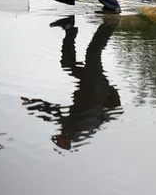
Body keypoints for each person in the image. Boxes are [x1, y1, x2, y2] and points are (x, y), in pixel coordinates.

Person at [21, 15, 123, 150]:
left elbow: (54, 114)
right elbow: (54, 112)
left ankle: (69, 28)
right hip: (95, 87)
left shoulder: (79, 131)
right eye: (59, 138)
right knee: (92, 53)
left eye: (58, 136)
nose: (59, 134)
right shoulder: (76, 128)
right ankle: (111, 24)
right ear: (66, 141)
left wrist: (33, 105)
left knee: (68, 63)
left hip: (91, 87)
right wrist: (33, 105)